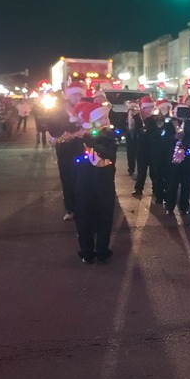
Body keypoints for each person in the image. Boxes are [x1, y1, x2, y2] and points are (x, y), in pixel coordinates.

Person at [72, 101, 117, 264]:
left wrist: (91, 142)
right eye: (102, 117)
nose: (106, 120)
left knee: (105, 214)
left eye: (106, 116)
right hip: (85, 179)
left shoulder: (109, 135)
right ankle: (86, 251)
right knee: (84, 214)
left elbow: (109, 152)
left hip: (104, 179)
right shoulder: (79, 137)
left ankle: (102, 250)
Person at [48, 85, 85, 221]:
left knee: (81, 178)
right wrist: (72, 126)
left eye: (79, 95)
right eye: (74, 95)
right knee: (67, 177)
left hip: (81, 147)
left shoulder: (84, 108)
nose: (76, 97)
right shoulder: (59, 109)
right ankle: (70, 209)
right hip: (64, 147)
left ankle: (81, 207)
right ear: (68, 95)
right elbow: (52, 127)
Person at [131, 96, 156, 198]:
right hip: (141, 147)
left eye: (150, 108)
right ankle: (138, 189)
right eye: (146, 108)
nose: (148, 110)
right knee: (141, 170)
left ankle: (156, 189)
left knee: (154, 170)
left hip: (153, 147)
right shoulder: (137, 117)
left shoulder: (154, 118)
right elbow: (134, 130)